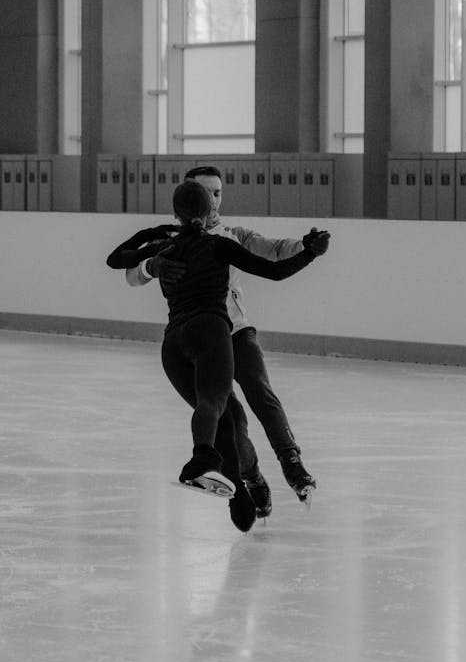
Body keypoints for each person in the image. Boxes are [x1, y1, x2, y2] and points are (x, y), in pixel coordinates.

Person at [106, 180, 329, 533]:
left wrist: (150, 244)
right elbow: (274, 271)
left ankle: (265, 479)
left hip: (197, 340)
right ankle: (224, 470)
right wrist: (311, 254)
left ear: (177, 212)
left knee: (239, 403)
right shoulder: (207, 243)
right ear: (208, 209)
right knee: (221, 408)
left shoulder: (186, 241)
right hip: (210, 333)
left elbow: (115, 259)